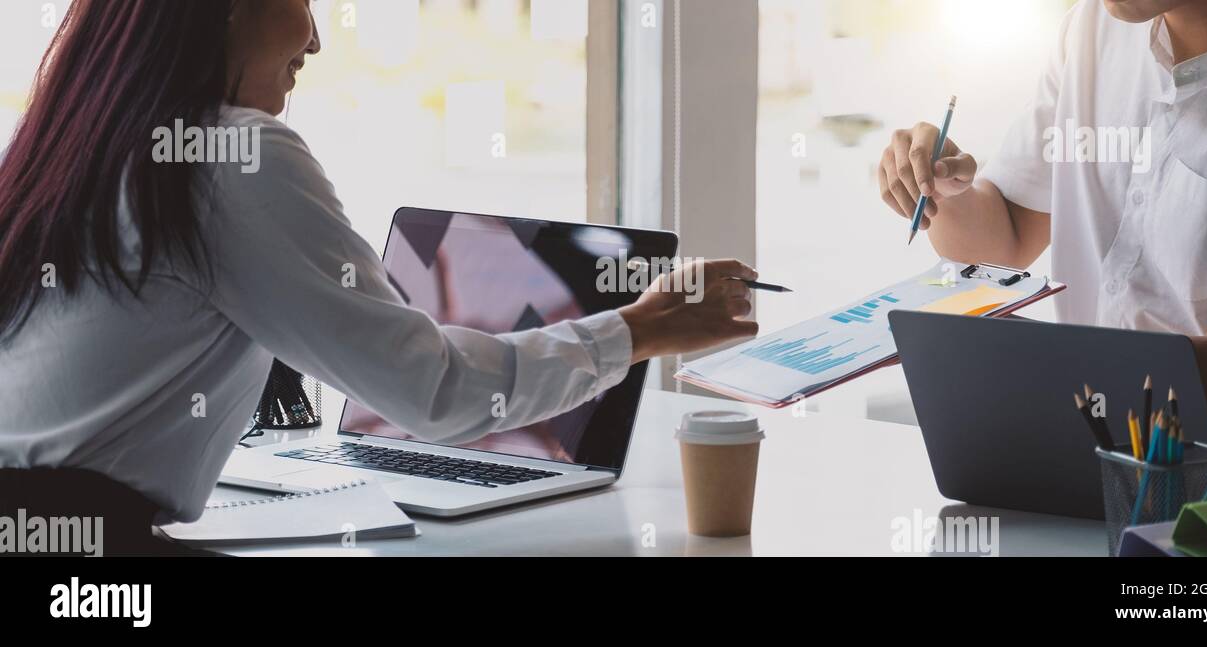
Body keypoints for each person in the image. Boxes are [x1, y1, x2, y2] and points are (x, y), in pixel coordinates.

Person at [0, 0, 758, 552]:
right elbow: (437, 390)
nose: (318, 39)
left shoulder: (71, 149)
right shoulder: (233, 156)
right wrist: (641, 328)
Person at [876, 0, 1207, 478]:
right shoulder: (1091, 28)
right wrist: (943, 189)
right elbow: (1003, 242)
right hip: (1087, 474)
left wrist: (1022, 368)